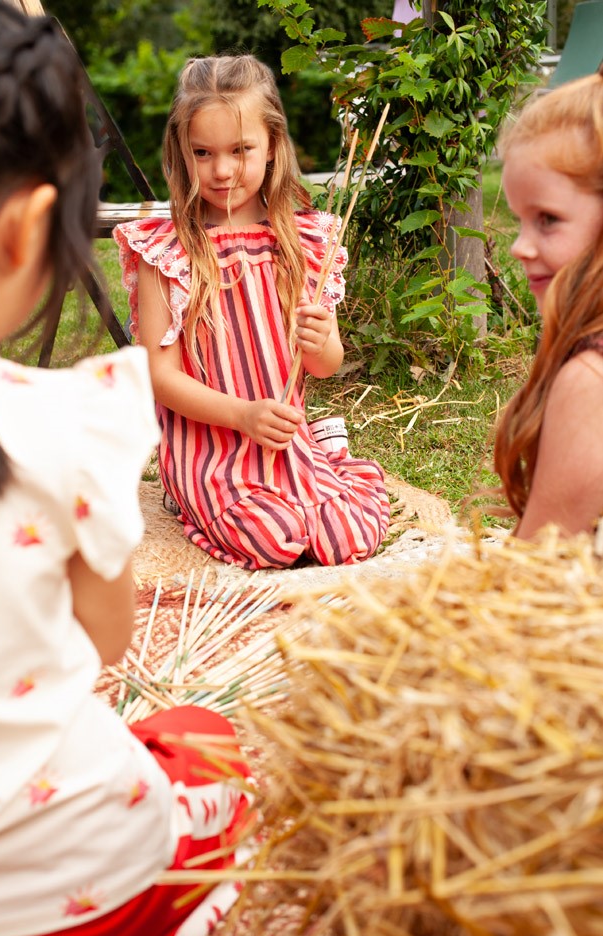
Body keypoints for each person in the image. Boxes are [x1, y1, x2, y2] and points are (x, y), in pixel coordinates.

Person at [0, 2, 253, 936]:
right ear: (30, 226)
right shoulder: (67, 421)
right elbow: (108, 646)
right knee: (203, 746)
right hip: (68, 900)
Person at [114, 54, 391, 571]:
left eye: (241, 150)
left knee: (343, 534)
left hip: (286, 443)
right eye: (203, 152)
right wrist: (243, 415)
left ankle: (310, 484)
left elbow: (325, 365)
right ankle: (191, 497)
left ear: (272, 147)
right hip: (212, 446)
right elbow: (159, 377)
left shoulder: (302, 242)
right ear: (182, 152)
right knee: (275, 537)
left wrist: (322, 336)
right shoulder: (169, 251)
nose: (222, 170)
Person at [492, 67, 603, 540]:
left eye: (548, 220)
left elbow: (535, 563)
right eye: (520, 219)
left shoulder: (590, 383)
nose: (519, 246)